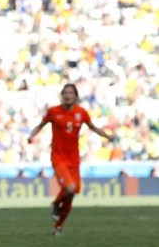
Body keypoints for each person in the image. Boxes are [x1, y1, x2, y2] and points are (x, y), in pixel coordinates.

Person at [27, 83, 115, 236]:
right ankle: (55, 204)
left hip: (74, 159)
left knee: (71, 194)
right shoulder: (53, 112)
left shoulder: (81, 113)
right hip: (58, 157)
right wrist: (31, 136)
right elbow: (40, 125)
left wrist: (107, 136)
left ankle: (58, 227)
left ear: (76, 96)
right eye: (65, 93)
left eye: (71, 93)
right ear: (62, 95)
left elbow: (93, 127)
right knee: (70, 188)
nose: (68, 95)